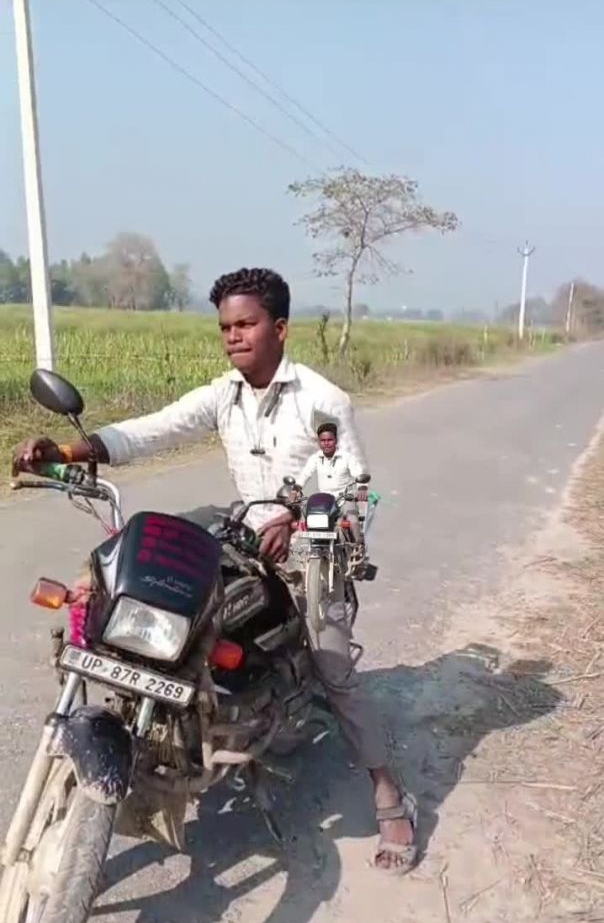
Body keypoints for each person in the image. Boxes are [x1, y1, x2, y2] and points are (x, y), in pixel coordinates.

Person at [13, 267, 416, 872]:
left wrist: (298, 517)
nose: (233, 336)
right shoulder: (223, 394)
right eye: (226, 326)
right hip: (243, 529)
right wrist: (69, 450)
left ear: (280, 328)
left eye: (246, 324)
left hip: (311, 550)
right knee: (136, 558)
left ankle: (388, 793)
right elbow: (155, 429)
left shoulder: (322, 400)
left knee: (335, 670)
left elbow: (352, 491)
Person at [299, 421, 365, 544]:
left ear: (336, 440)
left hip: (345, 499)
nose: (326, 443)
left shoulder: (347, 457)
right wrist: (295, 490)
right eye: (323, 440)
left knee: (353, 521)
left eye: (330, 440)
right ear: (319, 442)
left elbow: (358, 473)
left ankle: (357, 547)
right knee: (308, 520)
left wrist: (362, 488)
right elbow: (304, 475)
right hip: (325, 502)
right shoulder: (315, 458)